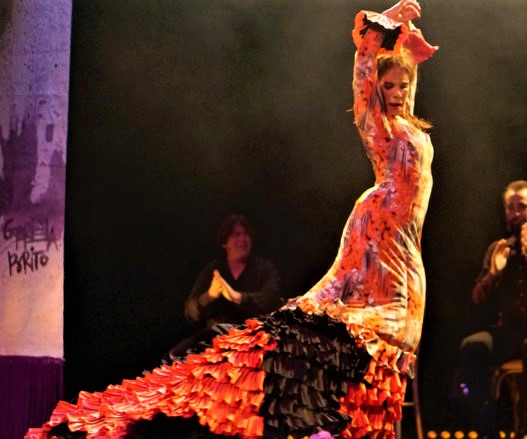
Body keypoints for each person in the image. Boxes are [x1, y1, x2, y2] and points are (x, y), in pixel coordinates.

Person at [27, 1, 436, 438]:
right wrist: (374, 42)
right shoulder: (384, 142)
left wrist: (402, 47)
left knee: (383, 356)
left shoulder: (409, 133)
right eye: (388, 86)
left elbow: (400, 94)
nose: (395, 93)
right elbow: (365, 101)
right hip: (376, 262)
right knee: (349, 350)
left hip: (402, 273)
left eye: (402, 85)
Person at [458, 180, 527, 439]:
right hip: (509, 331)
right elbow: (477, 299)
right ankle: (488, 431)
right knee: (473, 346)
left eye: (522, 206)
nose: (516, 212)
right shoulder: (500, 248)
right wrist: (494, 274)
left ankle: (526, 431)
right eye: (510, 207)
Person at [167, 214, 282, 362]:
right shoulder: (214, 269)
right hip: (218, 340)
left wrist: (238, 297)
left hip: (255, 337)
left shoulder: (264, 267)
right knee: (177, 356)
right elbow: (190, 312)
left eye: (246, 234)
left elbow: (273, 299)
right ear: (224, 242)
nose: (243, 239)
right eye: (236, 234)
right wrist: (209, 295)